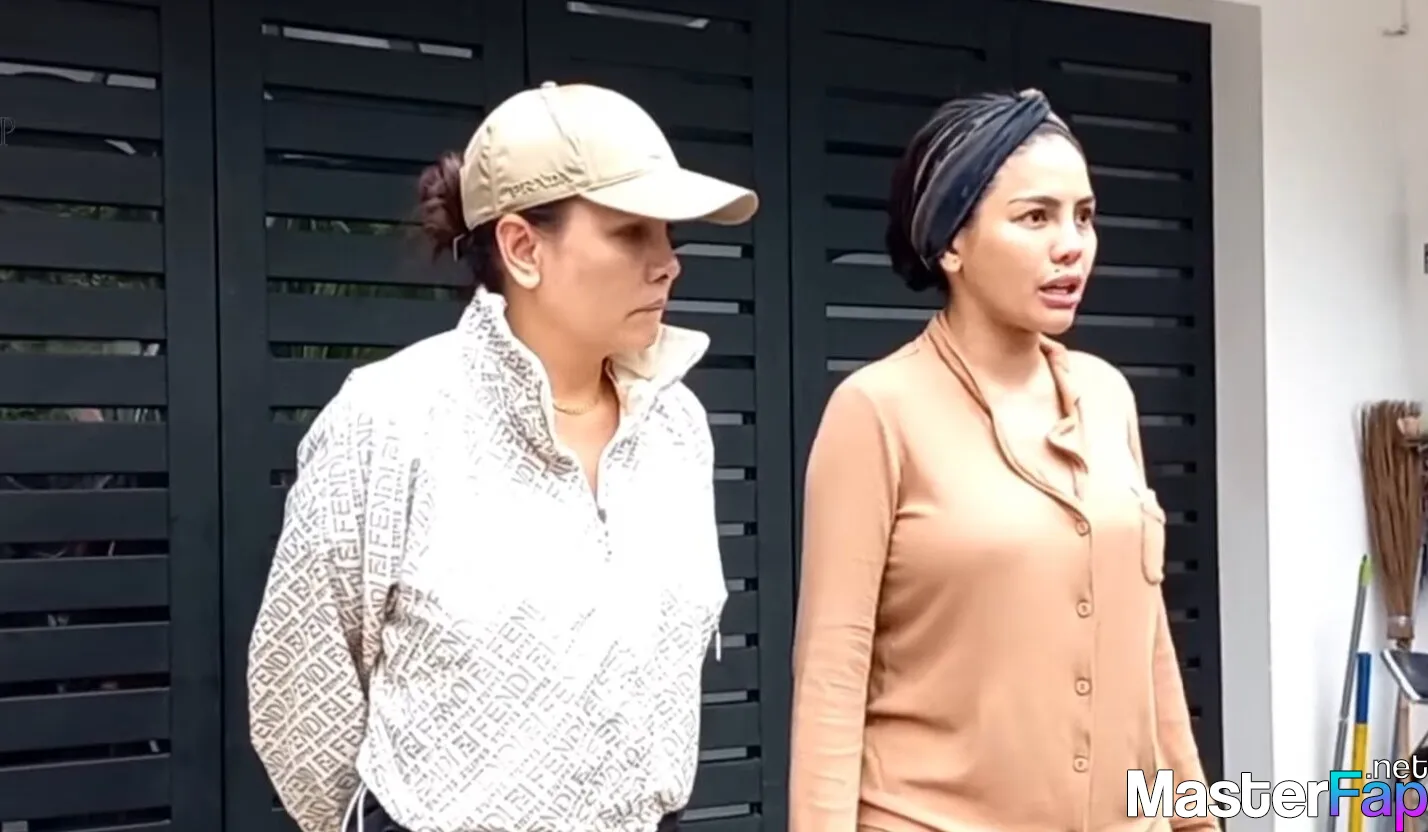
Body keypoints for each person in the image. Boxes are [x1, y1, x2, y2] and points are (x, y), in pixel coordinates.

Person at [246, 81, 760, 832]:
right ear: (523, 248)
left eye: (669, 236)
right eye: (631, 233)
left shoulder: (676, 426)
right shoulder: (392, 419)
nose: (667, 264)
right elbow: (301, 690)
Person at [788, 89, 1217, 832]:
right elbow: (832, 672)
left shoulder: (1107, 395)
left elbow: (1148, 642)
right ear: (951, 244)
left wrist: (1195, 816)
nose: (1071, 245)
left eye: (1084, 216)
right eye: (1035, 217)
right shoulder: (877, 411)